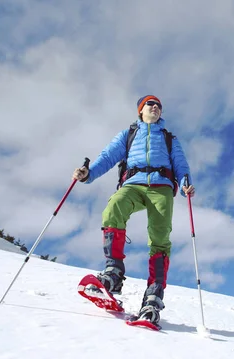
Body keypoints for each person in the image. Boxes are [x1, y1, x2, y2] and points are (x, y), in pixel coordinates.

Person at [72, 95, 195, 325]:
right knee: (114, 207)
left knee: (160, 237)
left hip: (162, 187)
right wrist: (89, 174)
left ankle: (153, 299)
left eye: (158, 105)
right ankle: (114, 273)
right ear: (141, 110)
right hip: (133, 184)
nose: (155, 107)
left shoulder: (169, 138)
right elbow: (108, 157)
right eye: (150, 104)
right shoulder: (128, 134)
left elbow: (180, 163)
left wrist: (185, 182)